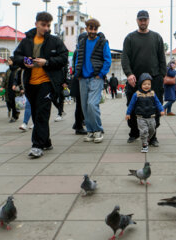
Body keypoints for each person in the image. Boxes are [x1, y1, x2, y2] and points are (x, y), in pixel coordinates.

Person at [13, 11, 68, 158]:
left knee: (42, 114)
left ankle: (37, 146)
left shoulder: (55, 41)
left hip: (47, 83)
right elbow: (15, 57)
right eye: (43, 25)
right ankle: (47, 141)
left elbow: (63, 58)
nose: (46, 28)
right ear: (36, 24)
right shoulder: (27, 41)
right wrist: (24, 61)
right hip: (30, 83)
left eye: (48, 25)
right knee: (37, 114)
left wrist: (47, 62)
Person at [121, 10, 166, 146]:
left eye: (145, 19)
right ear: (137, 20)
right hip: (134, 80)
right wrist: (129, 74)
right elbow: (125, 58)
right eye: (140, 19)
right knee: (133, 105)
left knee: (154, 108)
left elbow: (162, 58)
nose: (143, 22)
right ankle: (134, 132)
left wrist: (161, 76)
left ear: (148, 20)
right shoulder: (130, 38)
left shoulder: (157, 37)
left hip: (154, 79)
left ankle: (152, 136)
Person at [74, 18, 112, 143]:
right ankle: (90, 131)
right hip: (83, 78)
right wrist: (77, 72)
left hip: (96, 77)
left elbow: (108, 59)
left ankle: (98, 130)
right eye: (91, 28)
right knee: (84, 106)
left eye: (95, 28)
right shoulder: (82, 41)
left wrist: (101, 74)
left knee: (92, 104)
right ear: (86, 28)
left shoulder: (102, 42)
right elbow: (78, 57)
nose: (93, 31)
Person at [126, 73, 164, 152]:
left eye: (149, 84)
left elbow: (158, 103)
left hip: (151, 116)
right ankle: (144, 145)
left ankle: (147, 139)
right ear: (140, 84)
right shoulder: (136, 94)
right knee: (144, 131)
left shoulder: (152, 93)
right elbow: (131, 105)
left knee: (152, 130)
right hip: (141, 117)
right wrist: (128, 113)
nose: (147, 86)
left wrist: (161, 110)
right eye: (144, 84)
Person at [70, 32, 87, 135]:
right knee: (80, 105)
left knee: (80, 105)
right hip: (79, 80)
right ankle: (78, 126)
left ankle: (77, 124)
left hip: (77, 80)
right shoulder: (79, 50)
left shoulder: (77, 50)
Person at [3, 57, 21, 123]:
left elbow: (21, 79)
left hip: (16, 89)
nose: (8, 61)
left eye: (10, 60)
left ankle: (14, 116)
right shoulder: (8, 70)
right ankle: (16, 112)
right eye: (8, 60)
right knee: (10, 102)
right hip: (9, 89)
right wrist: (2, 86)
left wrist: (21, 88)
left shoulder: (19, 69)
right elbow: (4, 79)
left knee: (15, 103)